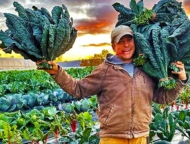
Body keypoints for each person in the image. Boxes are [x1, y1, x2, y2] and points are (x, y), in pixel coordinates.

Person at [37, 25, 188, 144]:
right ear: (113, 46)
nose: (126, 45)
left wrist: (181, 80)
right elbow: (78, 89)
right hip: (112, 137)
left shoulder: (147, 69)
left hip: (141, 136)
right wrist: (56, 71)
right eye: (120, 42)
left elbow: (162, 98)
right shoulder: (105, 70)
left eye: (129, 40)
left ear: (135, 42)